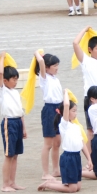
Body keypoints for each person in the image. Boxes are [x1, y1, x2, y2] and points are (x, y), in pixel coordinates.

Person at [38, 95, 94, 192]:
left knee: (78, 186)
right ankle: (48, 184)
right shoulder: (64, 124)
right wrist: (65, 93)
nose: (75, 113)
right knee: (72, 188)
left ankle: (53, 182)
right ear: (66, 112)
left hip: (76, 157)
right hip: (68, 158)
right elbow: (66, 104)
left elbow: (82, 144)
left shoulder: (76, 126)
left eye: (76, 111)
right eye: (73, 111)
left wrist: (89, 159)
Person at [0, 53, 26, 192]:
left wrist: (24, 127)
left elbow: (21, 111)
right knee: (9, 154)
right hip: (9, 123)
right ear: (6, 81)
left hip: (18, 121)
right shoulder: (2, 91)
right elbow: (0, 73)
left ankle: (12, 182)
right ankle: (5, 184)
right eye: (13, 79)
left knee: (15, 154)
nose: (15, 82)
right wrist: (2, 59)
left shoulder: (15, 92)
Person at [34, 51, 63, 181]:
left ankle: (56, 169)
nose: (57, 67)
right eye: (54, 65)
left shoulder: (55, 78)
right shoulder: (44, 77)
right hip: (50, 109)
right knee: (48, 143)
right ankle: (45, 172)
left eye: (57, 65)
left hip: (58, 108)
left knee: (57, 142)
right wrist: (38, 53)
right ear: (46, 67)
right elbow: (40, 61)